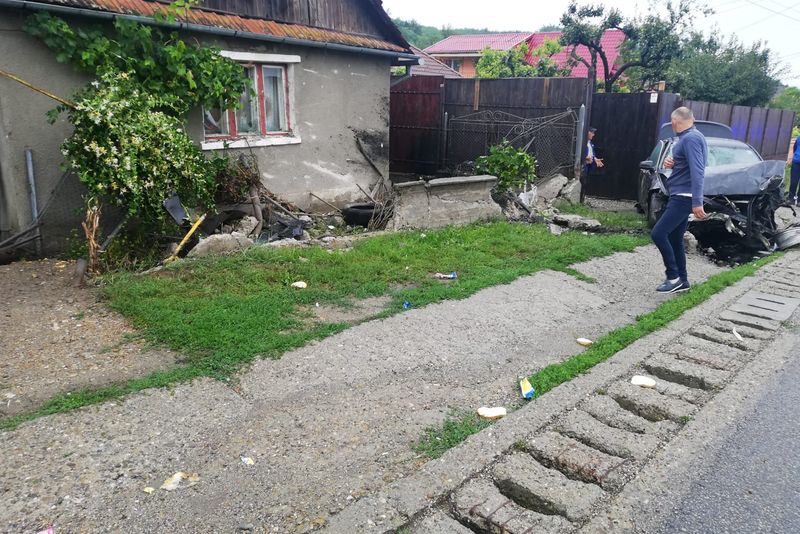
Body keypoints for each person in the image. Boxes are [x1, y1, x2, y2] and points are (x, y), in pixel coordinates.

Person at [651, 107, 707, 293]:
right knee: (675, 237)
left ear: (675, 122)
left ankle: (673, 276)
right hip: (681, 194)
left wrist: (697, 201)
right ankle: (682, 280)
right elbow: (690, 164)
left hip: (684, 196)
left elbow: (698, 170)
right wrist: (675, 162)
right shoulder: (691, 137)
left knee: (658, 234)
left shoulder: (691, 138)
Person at [580, 127, 604, 203]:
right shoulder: (582, 142)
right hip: (583, 165)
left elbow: (592, 154)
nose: (593, 135)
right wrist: (585, 157)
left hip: (589, 165)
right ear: (588, 133)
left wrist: (595, 159)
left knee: (585, 182)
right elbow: (579, 153)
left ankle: (582, 200)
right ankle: (579, 200)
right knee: (582, 182)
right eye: (592, 133)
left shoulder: (590, 143)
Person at [790, 132, 800, 207]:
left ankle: (799, 201)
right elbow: (795, 148)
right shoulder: (799, 138)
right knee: (793, 181)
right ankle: (790, 199)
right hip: (796, 161)